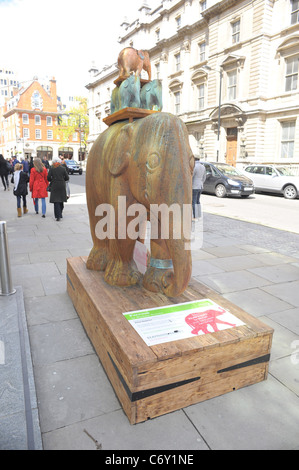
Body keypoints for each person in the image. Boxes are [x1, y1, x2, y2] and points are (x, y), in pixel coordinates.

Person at [47, 156, 69, 221]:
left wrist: (52, 180)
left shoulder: (52, 168)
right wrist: (62, 179)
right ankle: (60, 212)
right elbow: (67, 178)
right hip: (62, 185)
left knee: (56, 200)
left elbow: (48, 177)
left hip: (54, 185)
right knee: (61, 199)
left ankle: (58, 216)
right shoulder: (63, 168)